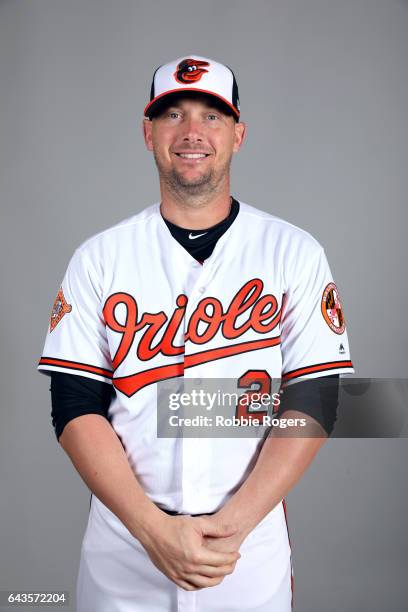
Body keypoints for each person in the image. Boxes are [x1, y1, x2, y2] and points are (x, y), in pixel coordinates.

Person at [38, 55, 354, 611]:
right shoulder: (99, 259)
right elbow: (74, 403)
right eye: (173, 115)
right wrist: (152, 529)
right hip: (125, 548)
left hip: (247, 548)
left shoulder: (294, 252)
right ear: (147, 132)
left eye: (212, 116)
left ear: (238, 134)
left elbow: (316, 396)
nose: (192, 133)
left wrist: (232, 527)